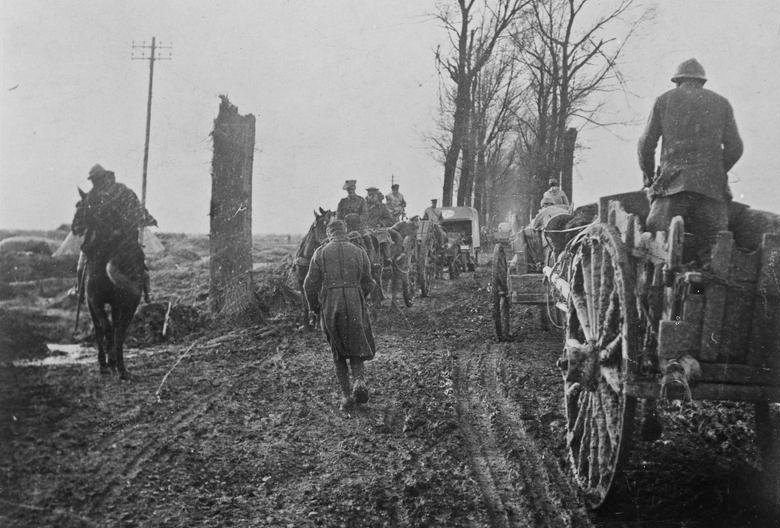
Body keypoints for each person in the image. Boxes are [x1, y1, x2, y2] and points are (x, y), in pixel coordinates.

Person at [638, 58, 743, 265]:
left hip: (672, 188)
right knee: (714, 253)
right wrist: (718, 171)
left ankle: (665, 287)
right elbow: (736, 147)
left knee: (654, 244)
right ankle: (699, 291)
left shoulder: (664, 100)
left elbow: (645, 145)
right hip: (711, 192)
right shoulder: (721, 103)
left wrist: (649, 177)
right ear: (702, 82)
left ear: (677, 81)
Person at [303, 220, 377, 411]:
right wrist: (360, 296)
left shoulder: (320, 253)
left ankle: (346, 397)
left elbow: (308, 284)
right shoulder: (359, 251)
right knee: (357, 344)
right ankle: (359, 381)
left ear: (329, 234)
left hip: (331, 303)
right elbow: (369, 282)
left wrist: (315, 306)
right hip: (354, 300)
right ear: (345, 232)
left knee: (338, 352)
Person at [77, 164, 157, 302]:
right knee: (81, 263)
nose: (95, 182)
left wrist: (145, 218)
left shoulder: (123, 191)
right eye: (93, 180)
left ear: (105, 177)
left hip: (122, 239)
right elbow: (85, 218)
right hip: (100, 240)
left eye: (97, 178)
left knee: (141, 263)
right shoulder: (92, 196)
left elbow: (137, 209)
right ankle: (80, 292)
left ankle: (146, 293)